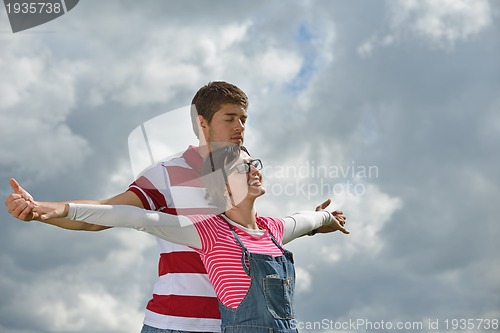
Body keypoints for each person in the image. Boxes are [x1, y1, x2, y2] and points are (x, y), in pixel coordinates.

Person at [5, 81, 346, 333]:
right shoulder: (167, 173)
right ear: (202, 122)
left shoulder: (243, 172)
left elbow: (264, 233)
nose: (240, 127)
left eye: (244, 119)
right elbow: (111, 214)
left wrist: (320, 221)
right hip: (175, 323)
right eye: (230, 118)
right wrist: (44, 210)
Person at [34, 145, 350, 333]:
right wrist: (55, 209)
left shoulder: (273, 230)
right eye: (242, 168)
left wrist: (329, 219)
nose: (254, 170)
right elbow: (131, 216)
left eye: (255, 164)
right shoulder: (207, 232)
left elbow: (313, 218)